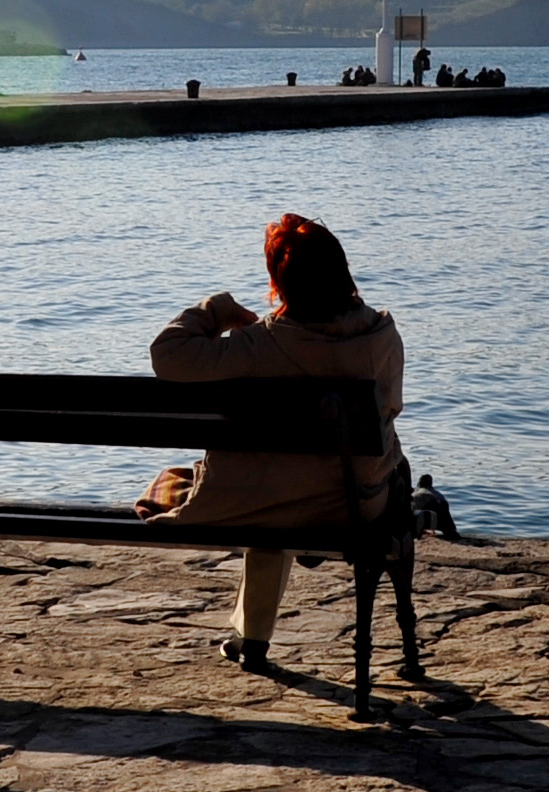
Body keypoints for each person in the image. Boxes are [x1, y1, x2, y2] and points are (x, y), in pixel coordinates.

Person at [141, 212, 406, 669]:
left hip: (260, 502)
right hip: (350, 505)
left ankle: (252, 638)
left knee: (270, 490)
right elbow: (390, 411)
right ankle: (260, 632)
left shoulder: (254, 347)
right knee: (355, 477)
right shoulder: (380, 335)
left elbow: (167, 356)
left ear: (278, 281)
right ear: (342, 271)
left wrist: (220, 309)